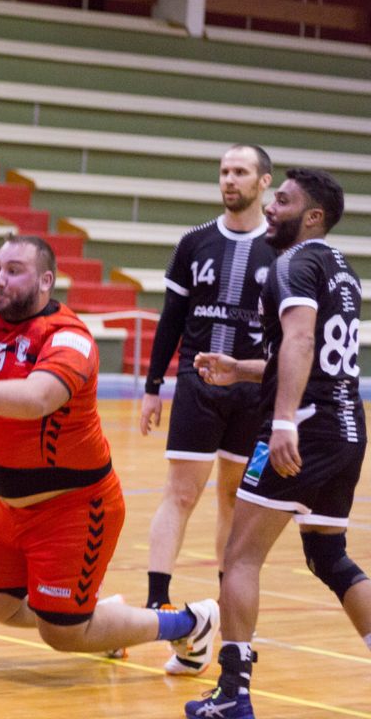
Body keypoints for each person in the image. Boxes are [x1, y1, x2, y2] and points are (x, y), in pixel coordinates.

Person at [0, 235, 219, 668]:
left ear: (45, 281)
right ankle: (99, 618)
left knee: (62, 633)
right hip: (11, 510)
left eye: (14, 271)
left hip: (75, 508)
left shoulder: (69, 337)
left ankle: (188, 624)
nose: (0, 279)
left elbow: (38, 398)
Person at [188, 168, 370, 719]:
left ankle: (232, 693)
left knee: (239, 556)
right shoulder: (341, 269)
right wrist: (241, 368)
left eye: (283, 201)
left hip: (304, 428)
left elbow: (301, 339)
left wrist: (284, 421)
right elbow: (310, 355)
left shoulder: (294, 263)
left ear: (312, 216)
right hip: (345, 428)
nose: (270, 207)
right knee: (328, 555)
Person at [135, 145, 275, 673]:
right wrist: (153, 387)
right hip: (197, 386)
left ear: (264, 181)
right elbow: (170, 319)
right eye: (224, 171)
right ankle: (157, 603)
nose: (229, 179)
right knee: (180, 493)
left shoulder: (282, 252)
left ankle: (228, 618)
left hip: (253, 392)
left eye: (240, 171)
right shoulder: (193, 243)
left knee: (234, 502)